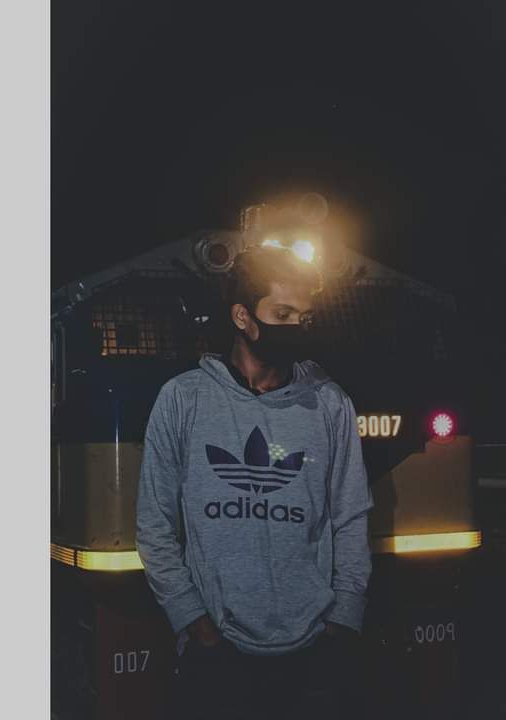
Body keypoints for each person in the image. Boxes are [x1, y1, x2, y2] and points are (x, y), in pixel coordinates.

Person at [136, 244, 374, 719]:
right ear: (243, 317)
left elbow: (350, 516)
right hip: (216, 651)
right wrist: (195, 624)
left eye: (304, 316)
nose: (296, 327)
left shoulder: (329, 403)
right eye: (282, 314)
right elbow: (155, 524)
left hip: (313, 651)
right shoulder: (183, 399)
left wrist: (343, 621)